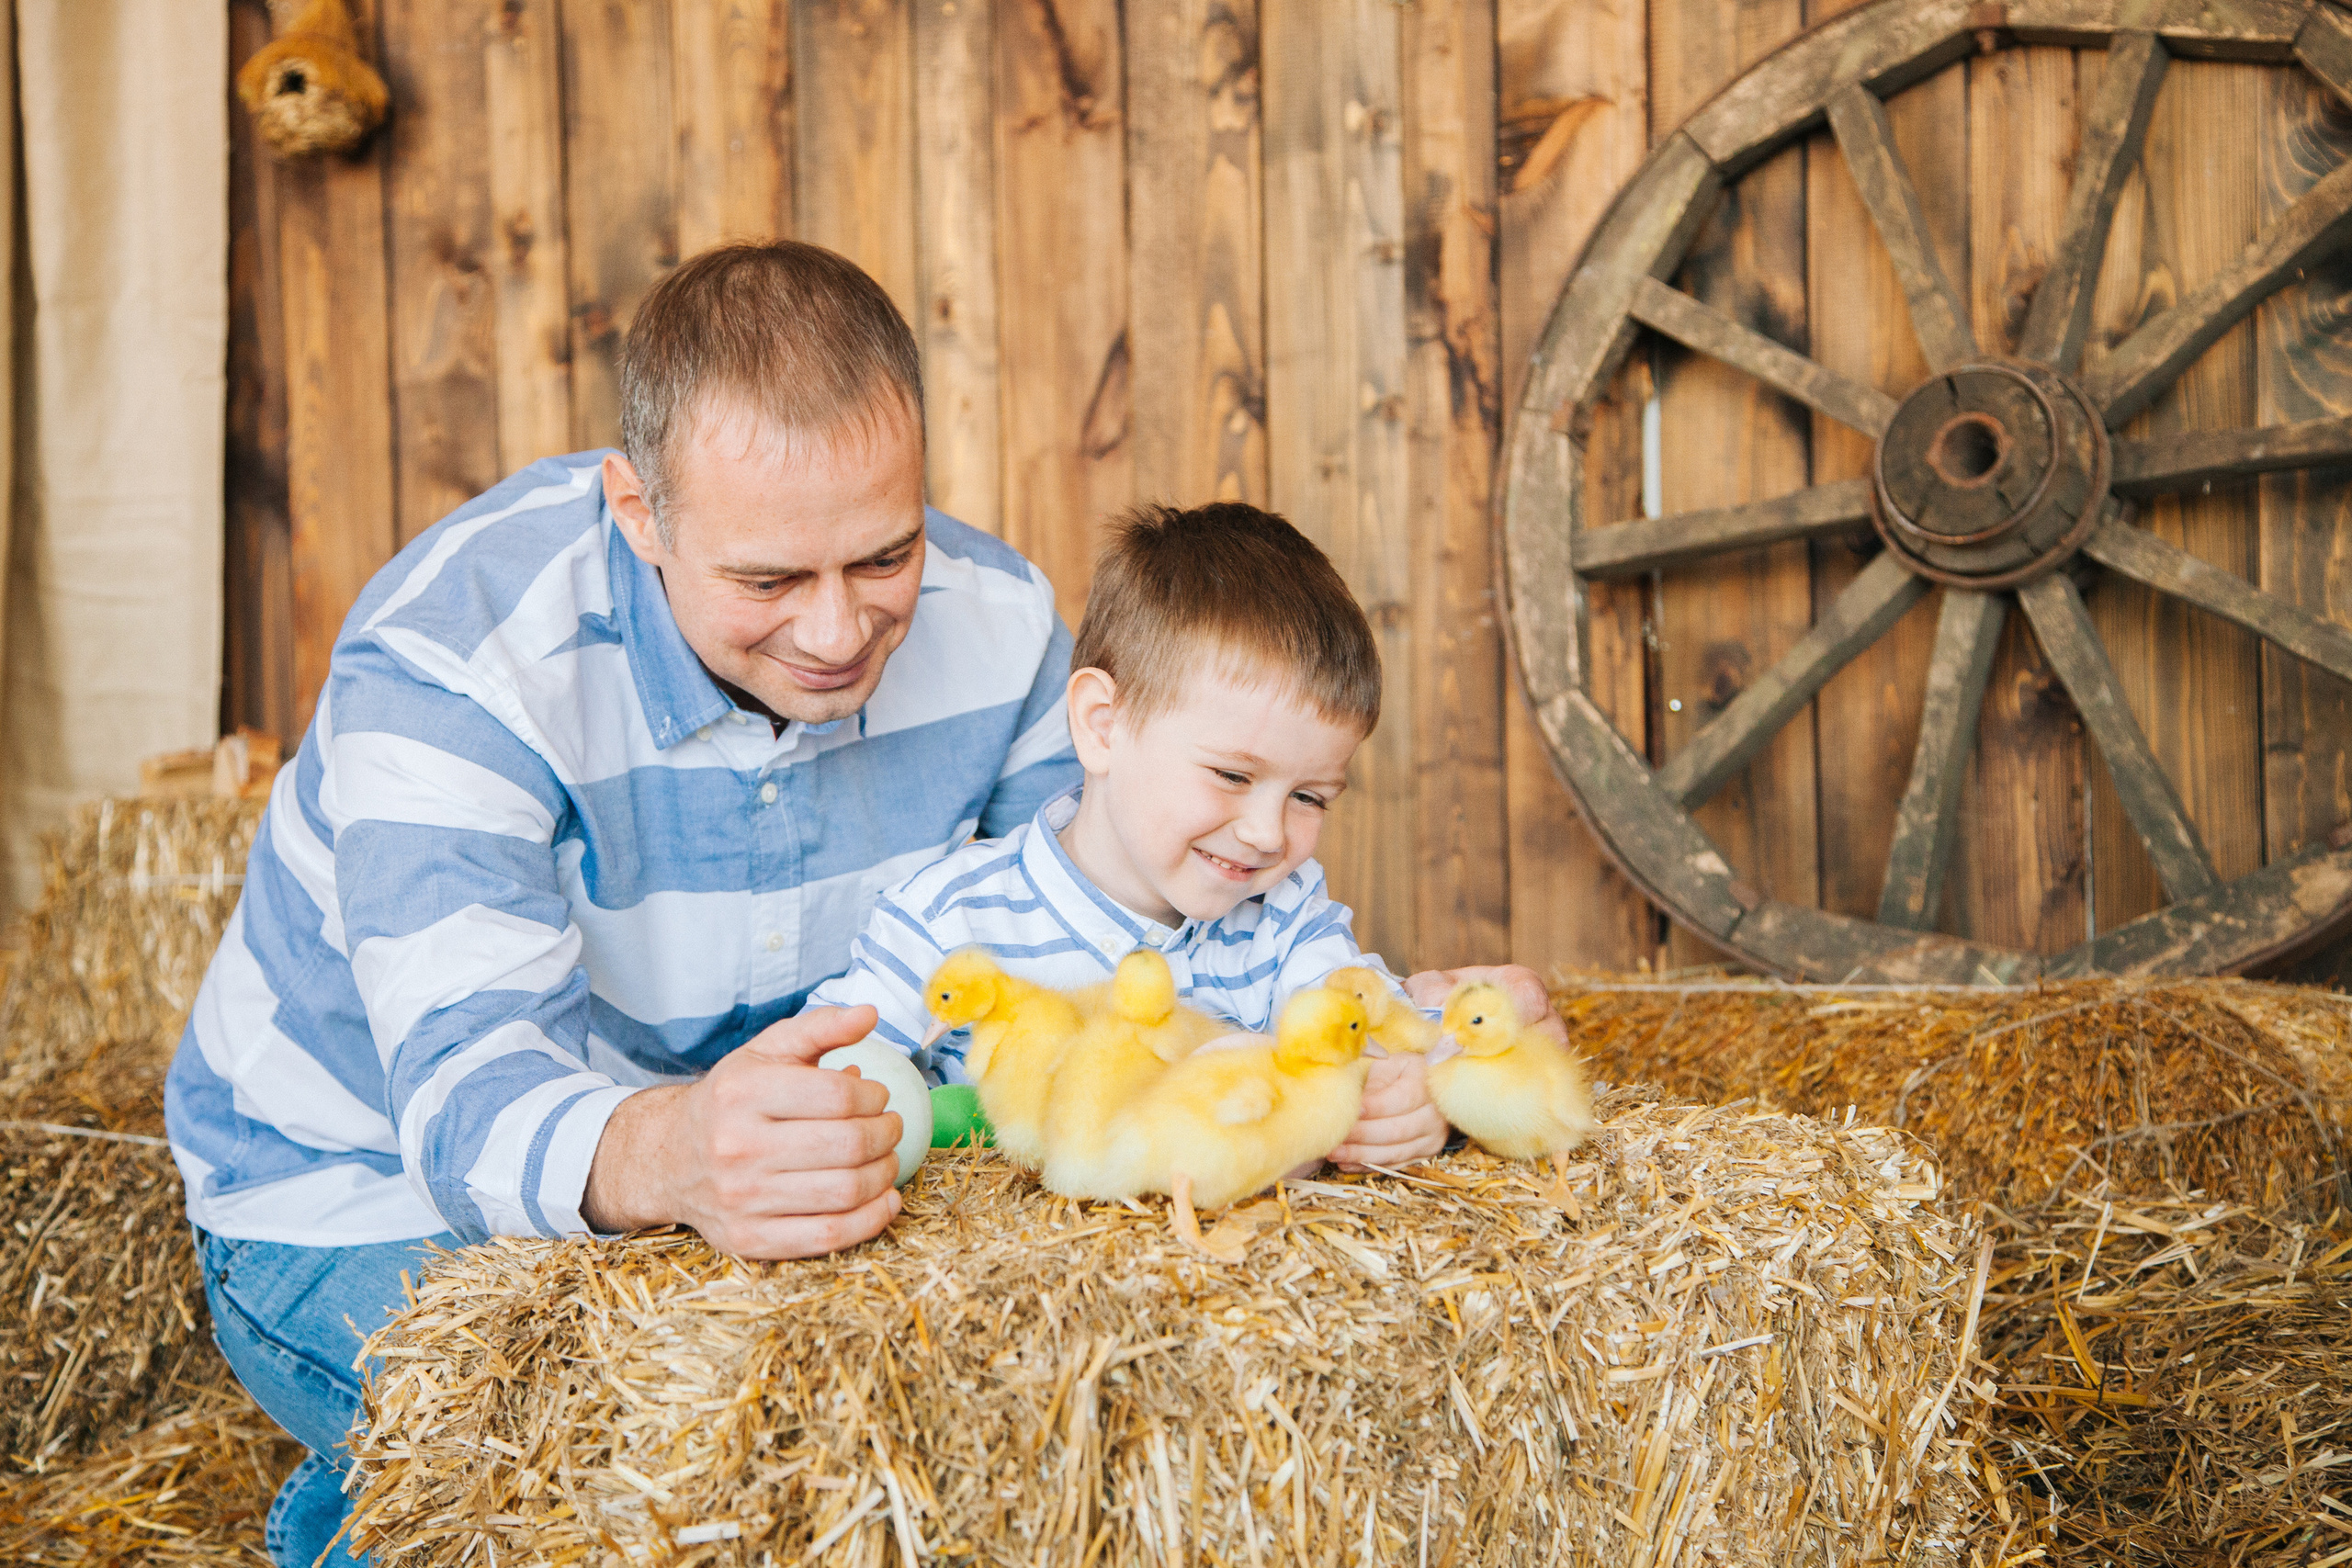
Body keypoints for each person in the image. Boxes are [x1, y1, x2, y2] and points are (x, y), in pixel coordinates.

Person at [162, 241, 1568, 1567]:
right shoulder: (454, 664)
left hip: (767, 1155)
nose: (838, 632)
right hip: (360, 1182)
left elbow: (1111, 965)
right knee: (633, 1484)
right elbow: (466, 1107)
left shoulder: (1005, 621)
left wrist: (1369, 1033)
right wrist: (684, 1152)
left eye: (883, 557)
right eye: (768, 578)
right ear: (637, 509)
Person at [806, 501, 1441, 1171]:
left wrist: (1413, 1094)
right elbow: (824, 1078)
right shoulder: (946, 921)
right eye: (1231, 774)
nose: (1265, 834)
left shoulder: (1285, 922)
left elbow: (1385, 1029)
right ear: (1103, 725)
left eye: (1309, 796)